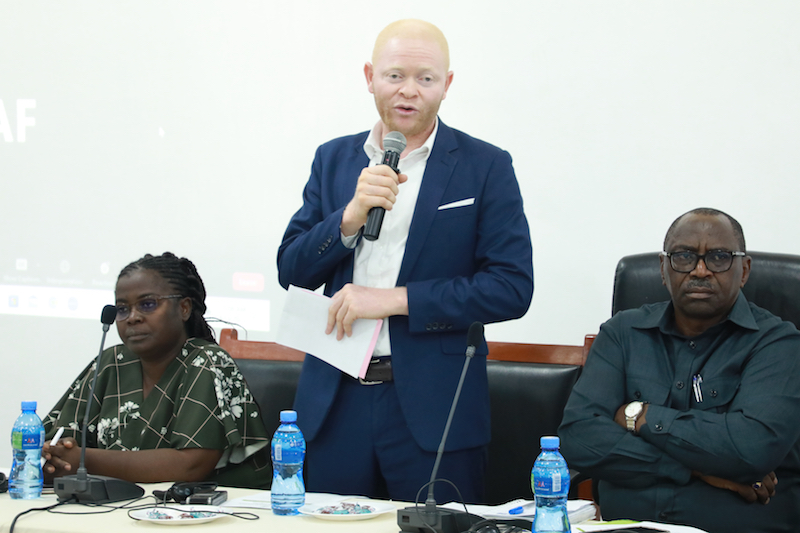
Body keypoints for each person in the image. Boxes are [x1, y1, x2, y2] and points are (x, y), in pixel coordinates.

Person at [277, 19, 533, 503]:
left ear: (447, 84)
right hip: (334, 401)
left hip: (435, 407)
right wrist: (349, 219)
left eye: (426, 78)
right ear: (370, 76)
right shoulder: (333, 158)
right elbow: (291, 270)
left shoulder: (485, 166)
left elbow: (511, 288)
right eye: (395, 76)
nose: (409, 91)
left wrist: (395, 300)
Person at [559, 208, 800, 532]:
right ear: (663, 269)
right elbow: (578, 437)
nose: (700, 270)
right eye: (684, 256)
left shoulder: (778, 343)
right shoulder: (622, 333)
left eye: (718, 257)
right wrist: (698, 469)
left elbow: (751, 448)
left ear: (743, 270)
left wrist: (640, 415)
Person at [42, 252, 271, 489]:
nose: (132, 318)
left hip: (212, 507)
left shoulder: (206, 361)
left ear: (184, 308)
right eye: (122, 309)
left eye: (147, 304)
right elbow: (52, 443)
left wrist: (84, 460)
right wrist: (53, 456)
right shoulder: (112, 362)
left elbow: (191, 466)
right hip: (119, 504)